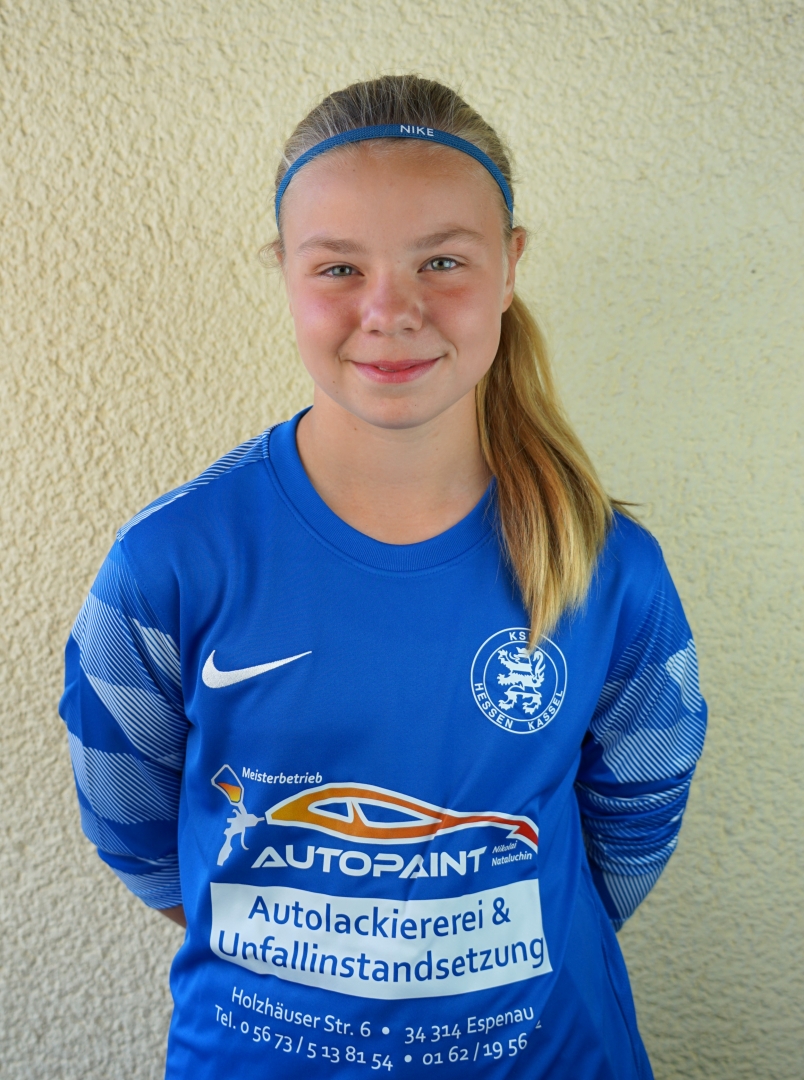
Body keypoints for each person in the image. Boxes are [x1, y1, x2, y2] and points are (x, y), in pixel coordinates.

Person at [60, 75, 707, 1079]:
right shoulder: (169, 564)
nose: (390, 311)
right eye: (338, 267)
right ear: (286, 273)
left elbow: (634, 830)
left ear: (510, 266)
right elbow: (134, 830)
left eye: (442, 260)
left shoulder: (607, 566)